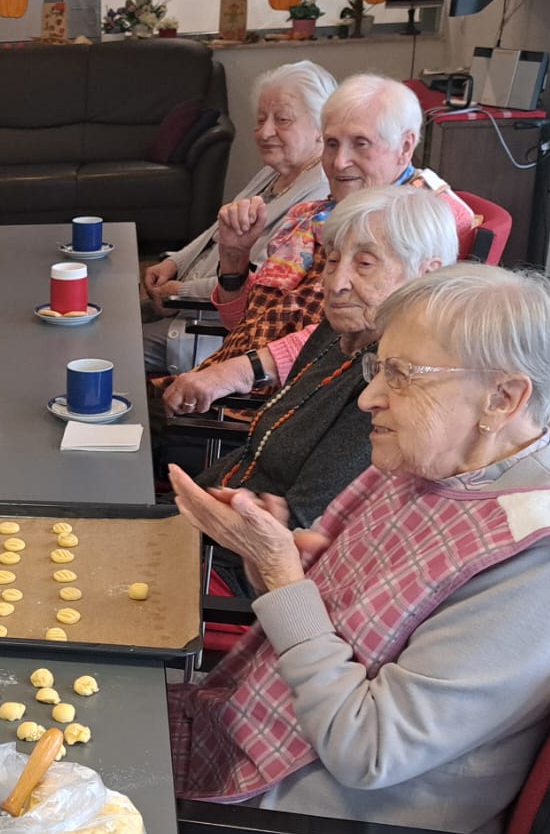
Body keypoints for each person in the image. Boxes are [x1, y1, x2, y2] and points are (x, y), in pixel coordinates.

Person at [165, 263, 550, 834]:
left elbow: (368, 751)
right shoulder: (448, 467)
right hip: (297, 799)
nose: (369, 396)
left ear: (503, 396)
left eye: (401, 373)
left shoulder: (542, 567)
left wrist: (282, 581)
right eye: (376, 366)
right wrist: (291, 566)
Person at [163, 186, 458, 529]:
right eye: (333, 260)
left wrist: (181, 520)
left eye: (364, 264)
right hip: (205, 510)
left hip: (235, 557)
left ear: (426, 275)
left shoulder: (391, 384)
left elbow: (300, 524)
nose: (335, 284)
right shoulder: (336, 331)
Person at [190, 73, 473, 372]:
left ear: (405, 147)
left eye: (360, 143)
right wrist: (234, 260)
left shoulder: (427, 221)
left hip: (315, 400)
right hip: (247, 383)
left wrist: (246, 371)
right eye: (332, 144)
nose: (339, 162)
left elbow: (371, 336)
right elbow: (245, 327)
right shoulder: (312, 216)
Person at [141, 61, 335, 373]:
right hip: (184, 307)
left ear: (321, 126)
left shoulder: (318, 197)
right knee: (104, 316)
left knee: (109, 346)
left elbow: (259, 283)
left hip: (209, 330)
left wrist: (181, 292)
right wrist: (174, 262)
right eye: (260, 120)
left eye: (282, 120)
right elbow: (219, 228)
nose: (266, 131)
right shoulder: (272, 173)